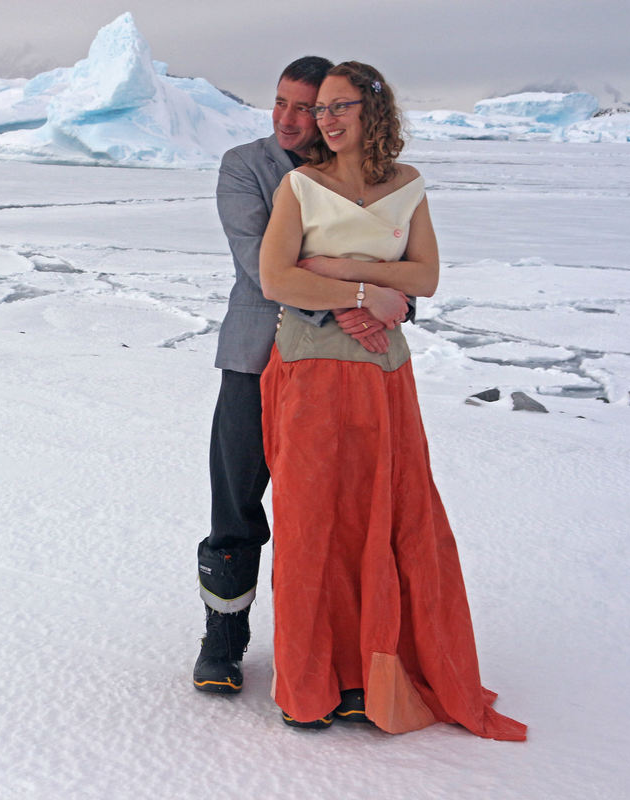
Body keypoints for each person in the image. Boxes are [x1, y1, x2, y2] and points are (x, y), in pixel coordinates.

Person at [257, 61, 526, 740]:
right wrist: (361, 297)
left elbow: (425, 275)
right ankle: (309, 685)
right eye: (320, 110)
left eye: (339, 107)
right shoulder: (301, 185)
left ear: (374, 109)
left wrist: (345, 273)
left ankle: (368, 676)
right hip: (313, 373)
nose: (326, 121)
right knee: (313, 527)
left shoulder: (407, 188)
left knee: (387, 521)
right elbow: (274, 277)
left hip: (384, 376)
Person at [193, 56, 395, 694]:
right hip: (254, 362)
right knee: (236, 507)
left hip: (343, 366)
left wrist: (396, 300)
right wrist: (361, 297)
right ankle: (223, 641)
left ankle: (331, 650)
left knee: (334, 513)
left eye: (305, 107)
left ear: (336, 112)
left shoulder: (367, 177)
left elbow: (394, 257)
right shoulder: (245, 166)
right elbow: (263, 266)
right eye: (279, 101)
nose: (287, 118)